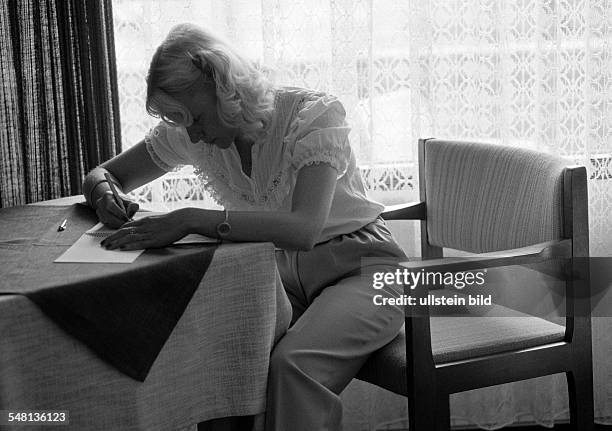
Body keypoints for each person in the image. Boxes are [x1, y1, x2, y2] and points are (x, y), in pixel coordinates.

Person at [83, 23, 406, 431]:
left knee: (293, 367)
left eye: (195, 117)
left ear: (223, 85)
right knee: (221, 363)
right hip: (278, 275)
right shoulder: (192, 134)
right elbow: (103, 174)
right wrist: (104, 194)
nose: (192, 132)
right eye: (181, 122)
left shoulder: (313, 116)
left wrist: (190, 219)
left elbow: (304, 228)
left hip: (366, 269)